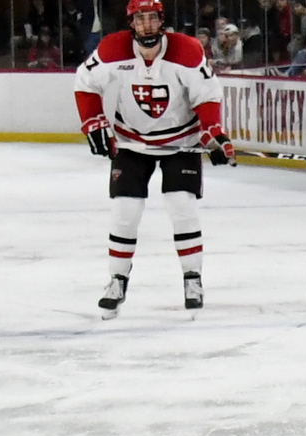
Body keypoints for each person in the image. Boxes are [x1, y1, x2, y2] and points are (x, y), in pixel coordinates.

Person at [73, 0, 236, 317]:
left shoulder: (186, 50)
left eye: (151, 18)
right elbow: (85, 83)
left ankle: (192, 279)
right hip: (131, 142)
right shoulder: (112, 49)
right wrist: (92, 121)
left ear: (161, 21)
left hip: (181, 141)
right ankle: (117, 281)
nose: (146, 25)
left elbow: (207, 94)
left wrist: (213, 133)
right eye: (140, 18)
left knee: (181, 204)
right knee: (125, 210)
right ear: (131, 22)